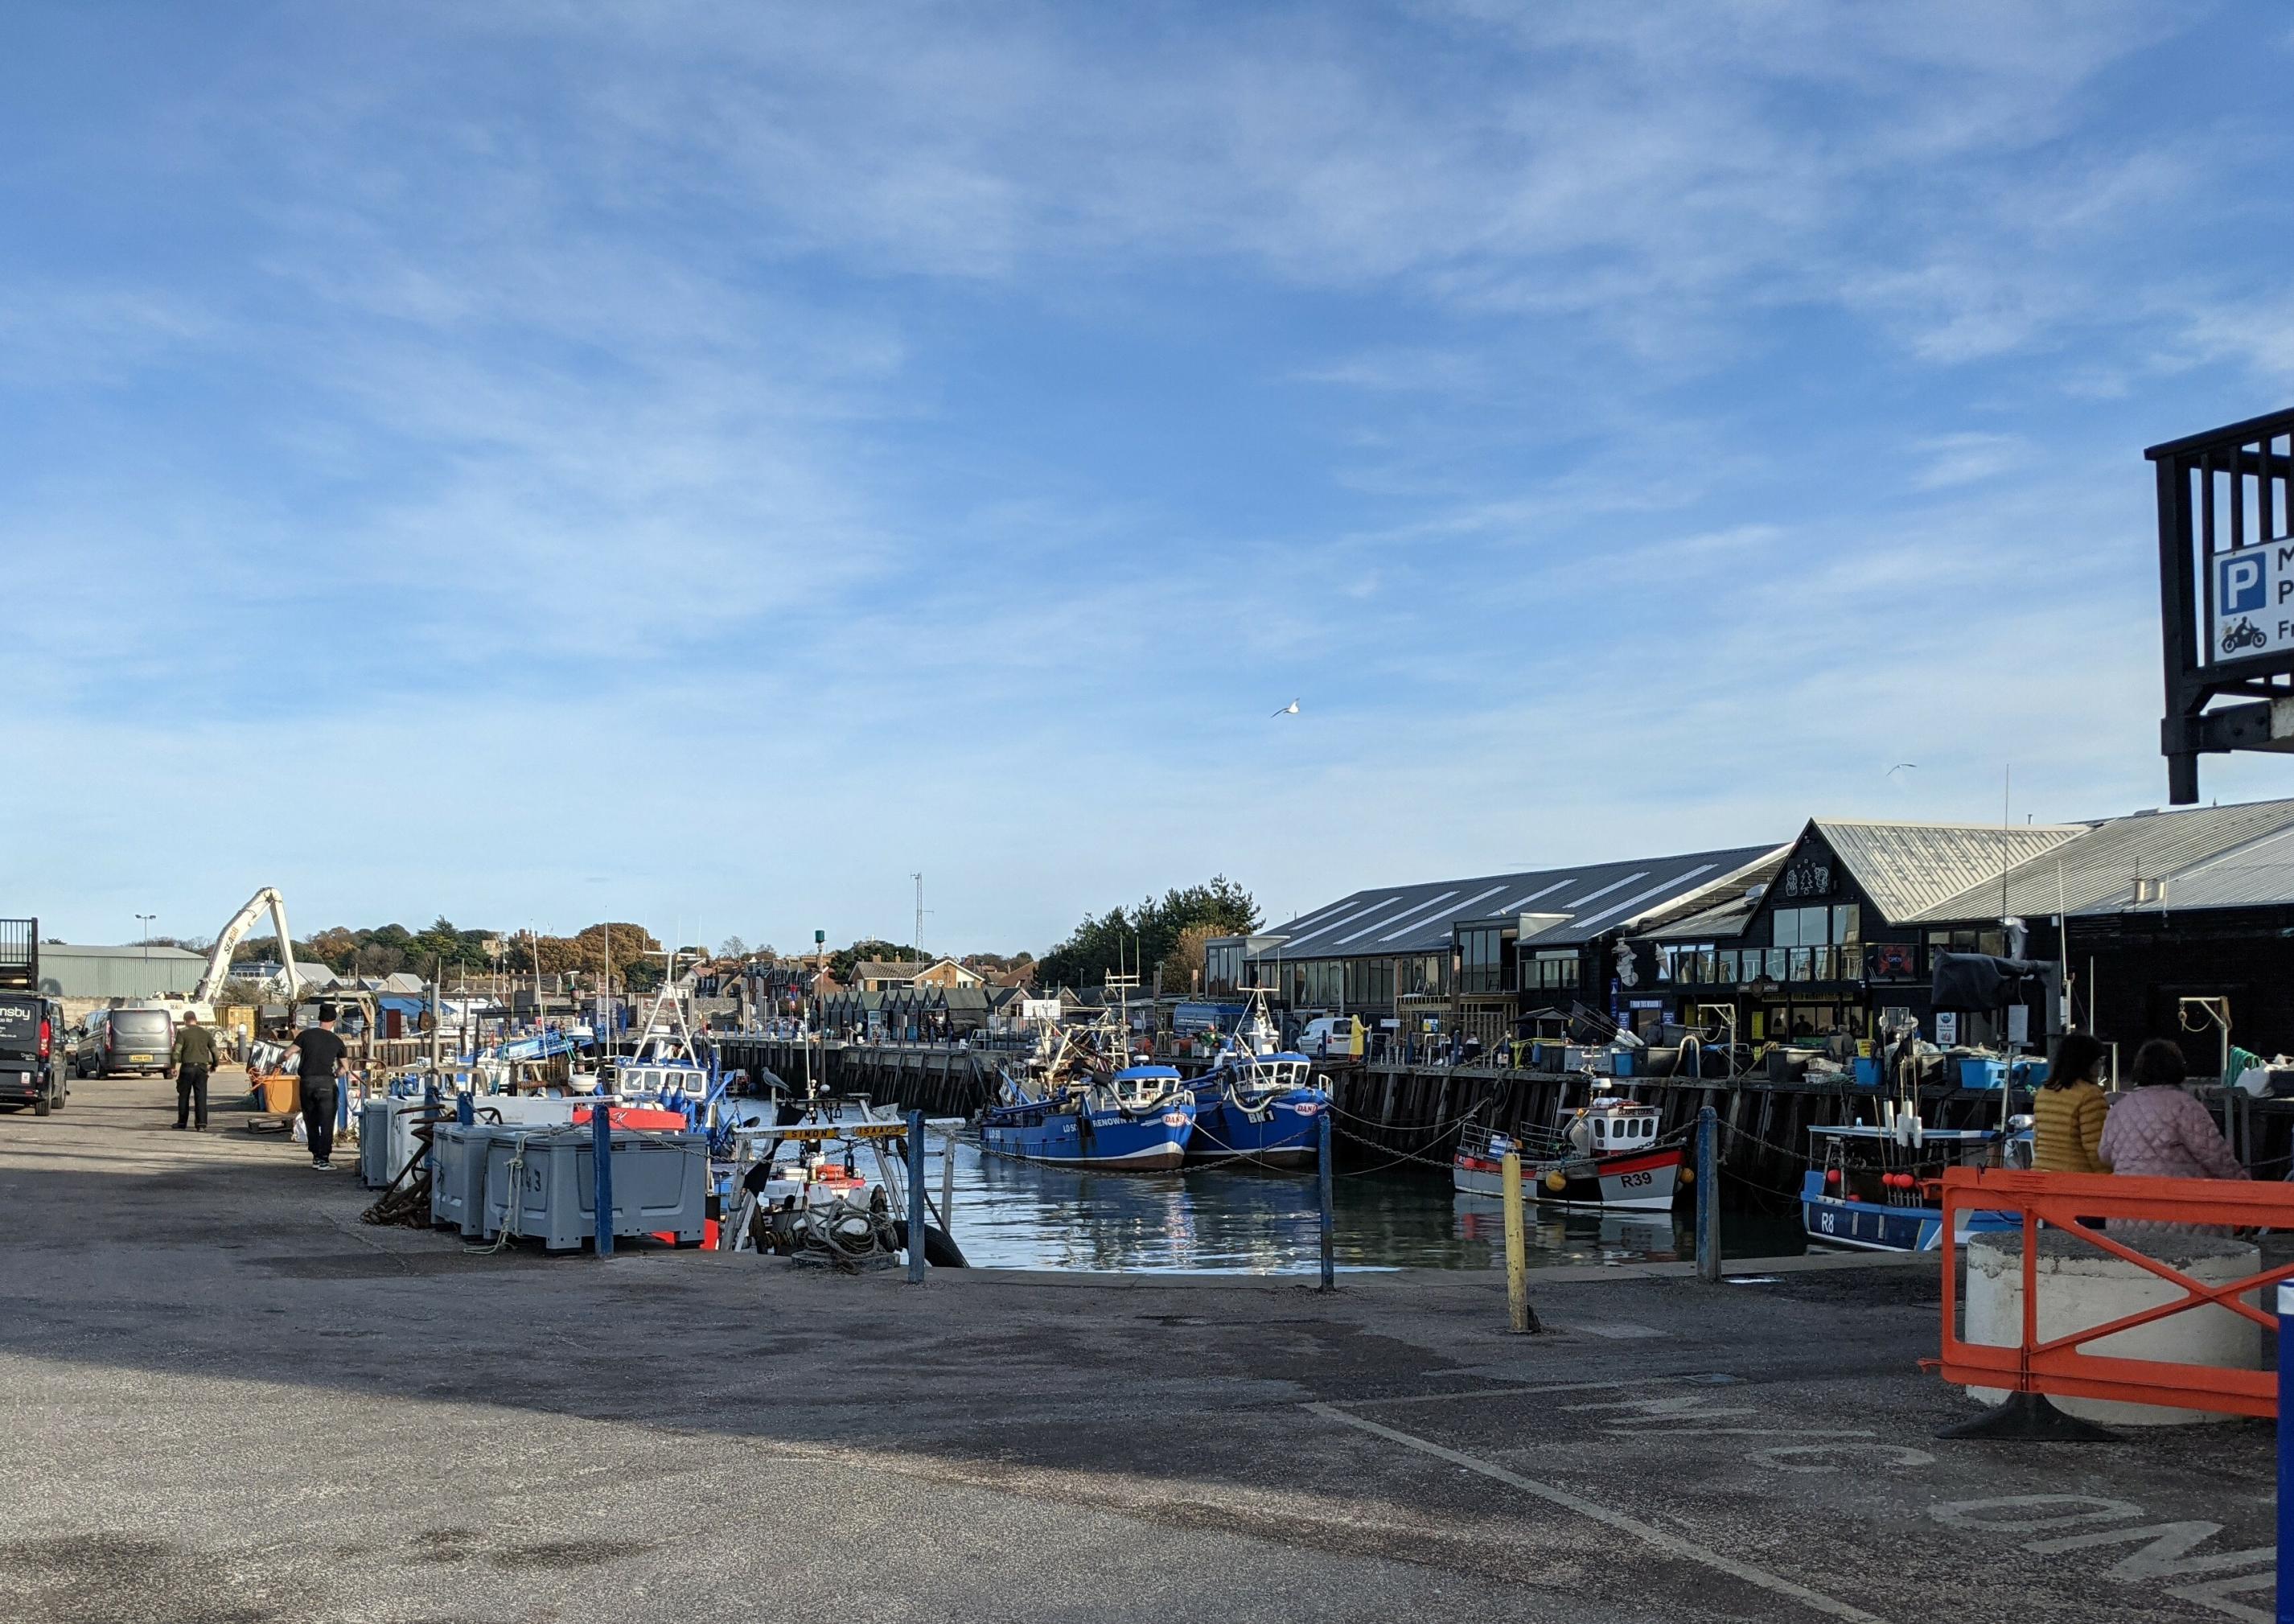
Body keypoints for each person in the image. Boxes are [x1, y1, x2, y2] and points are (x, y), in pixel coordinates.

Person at [2097, 1038, 2245, 1240]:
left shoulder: (2121, 1107)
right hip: (2181, 1215)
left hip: (2125, 1215)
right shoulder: (2187, 1106)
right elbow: (2217, 1157)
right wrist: (2245, 1187)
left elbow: (2104, 1155)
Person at [2031, 1032, 2111, 1174]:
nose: (2100, 1066)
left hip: (2040, 1174)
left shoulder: (2044, 1092)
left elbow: (2037, 1142)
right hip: (2075, 1180)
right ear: (2088, 1062)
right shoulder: (2090, 1096)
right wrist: (2109, 1178)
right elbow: (2095, 1148)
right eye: (2099, 1060)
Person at [290, 1005, 349, 1170]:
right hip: (326, 1083)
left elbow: (288, 1053)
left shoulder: (306, 1035)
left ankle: (315, 1156)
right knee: (327, 1121)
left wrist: (279, 1062)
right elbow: (345, 1067)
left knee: (311, 1119)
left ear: (319, 1018)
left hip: (307, 1083)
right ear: (334, 1020)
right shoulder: (337, 1041)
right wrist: (337, 1073)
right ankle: (324, 1158)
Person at [171, 1012, 219, 1132]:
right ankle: (201, 1124)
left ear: (185, 1020)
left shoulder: (182, 1032)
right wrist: (214, 1065)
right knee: (201, 1096)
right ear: (196, 1019)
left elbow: (177, 1051)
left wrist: (173, 1066)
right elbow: (215, 1052)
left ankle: (182, 1123)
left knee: (184, 1096)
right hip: (202, 1069)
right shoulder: (206, 1033)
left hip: (187, 1068)